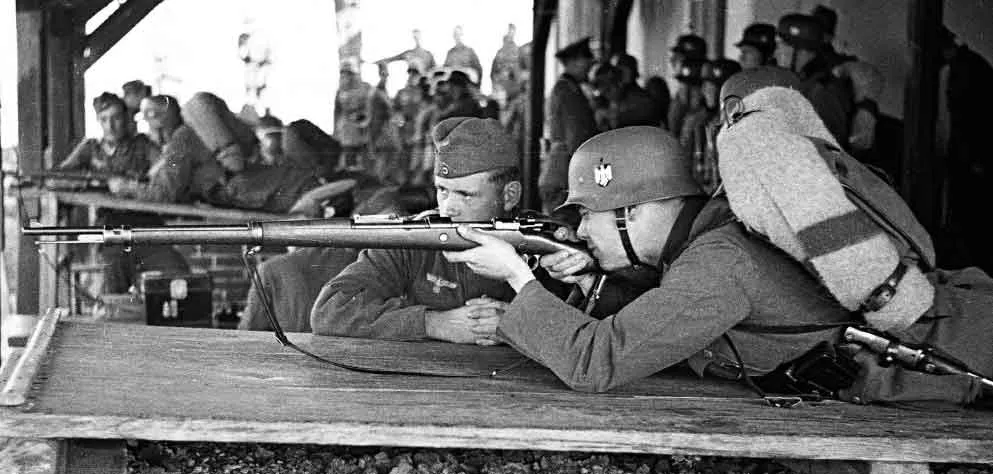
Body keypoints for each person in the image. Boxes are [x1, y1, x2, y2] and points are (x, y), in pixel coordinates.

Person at [444, 71, 992, 408]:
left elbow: (596, 362)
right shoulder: (712, 241)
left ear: (634, 211)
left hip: (969, 351)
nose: (582, 230)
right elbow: (670, 315)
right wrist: (591, 279)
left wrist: (517, 276)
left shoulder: (719, 263)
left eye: (589, 214)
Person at [311, 117, 569, 343]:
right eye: (442, 190)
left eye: (466, 195)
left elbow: (586, 335)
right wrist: (435, 323)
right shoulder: (415, 238)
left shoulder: (547, 241)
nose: (448, 208)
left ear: (510, 195)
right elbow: (330, 311)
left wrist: (520, 324)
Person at [58, 92, 188, 293]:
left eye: (116, 118)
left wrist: (133, 184)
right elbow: (59, 177)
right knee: (113, 288)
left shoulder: (142, 145)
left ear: (126, 118)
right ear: (98, 121)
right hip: (112, 231)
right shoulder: (91, 148)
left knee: (179, 274)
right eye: (104, 119)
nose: (110, 126)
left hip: (147, 228)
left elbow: (166, 167)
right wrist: (89, 181)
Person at [938, 26, 993, 275]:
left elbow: (968, 121)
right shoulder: (969, 65)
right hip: (974, 159)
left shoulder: (966, 70)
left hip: (975, 162)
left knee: (972, 221)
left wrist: (972, 160)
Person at [775, 13, 854, 149]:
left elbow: (829, 149)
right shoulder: (798, 80)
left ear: (800, 50)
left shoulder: (822, 90)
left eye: (781, 45)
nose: (776, 52)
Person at [542, 37, 597, 220]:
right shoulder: (567, 91)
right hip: (566, 171)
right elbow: (576, 136)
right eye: (586, 61)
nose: (590, 66)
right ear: (574, 62)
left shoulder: (568, 88)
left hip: (563, 168)